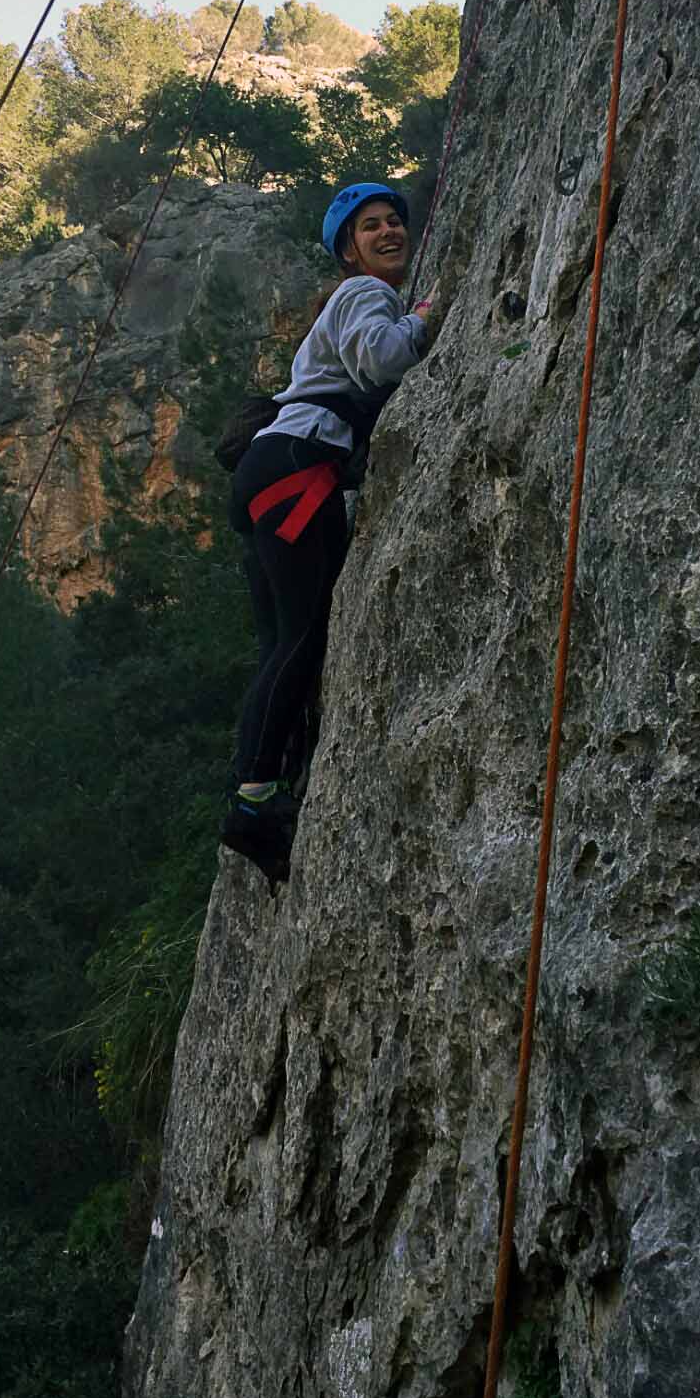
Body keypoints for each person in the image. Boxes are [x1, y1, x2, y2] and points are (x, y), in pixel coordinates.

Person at [220, 182, 438, 886]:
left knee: (281, 645)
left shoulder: (344, 303)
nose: (390, 231)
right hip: (298, 467)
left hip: (273, 470)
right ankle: (253, 805)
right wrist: (424, 317)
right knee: (304, 635)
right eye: (371, 227)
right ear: (349, 251)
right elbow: (384, 360)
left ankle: (260, 788)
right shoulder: (363, 294)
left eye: (395, 221)